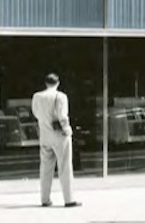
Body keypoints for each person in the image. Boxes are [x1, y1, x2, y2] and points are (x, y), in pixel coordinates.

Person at [31, 73, 81, 208]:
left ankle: (45, 198)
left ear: (46, 83)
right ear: (57, 83)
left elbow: (36, 113)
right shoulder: (60, 97)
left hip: (44, 134)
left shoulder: (37, 96)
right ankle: (69, 198)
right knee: (64, 166)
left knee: (46, 167)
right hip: (59, 135)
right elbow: (62, 116)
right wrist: (67, 130)